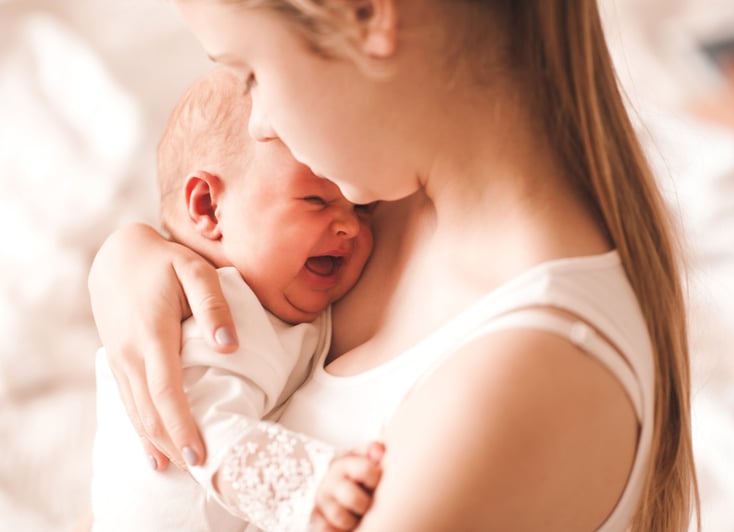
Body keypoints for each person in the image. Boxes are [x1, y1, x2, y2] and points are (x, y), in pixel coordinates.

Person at [88, 1, 701, 529]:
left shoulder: (524, 377)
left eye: (250, 74)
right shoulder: (379, 200)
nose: (259, 123)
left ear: (367, 14)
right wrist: (131, 257)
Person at [91, 68, 380, 531]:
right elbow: (195, 424)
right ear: (208, 207)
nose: (350, 226)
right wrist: (306, 486)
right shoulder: (216, 306)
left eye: (362, 208)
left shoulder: (273, 300)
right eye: (316, 200)